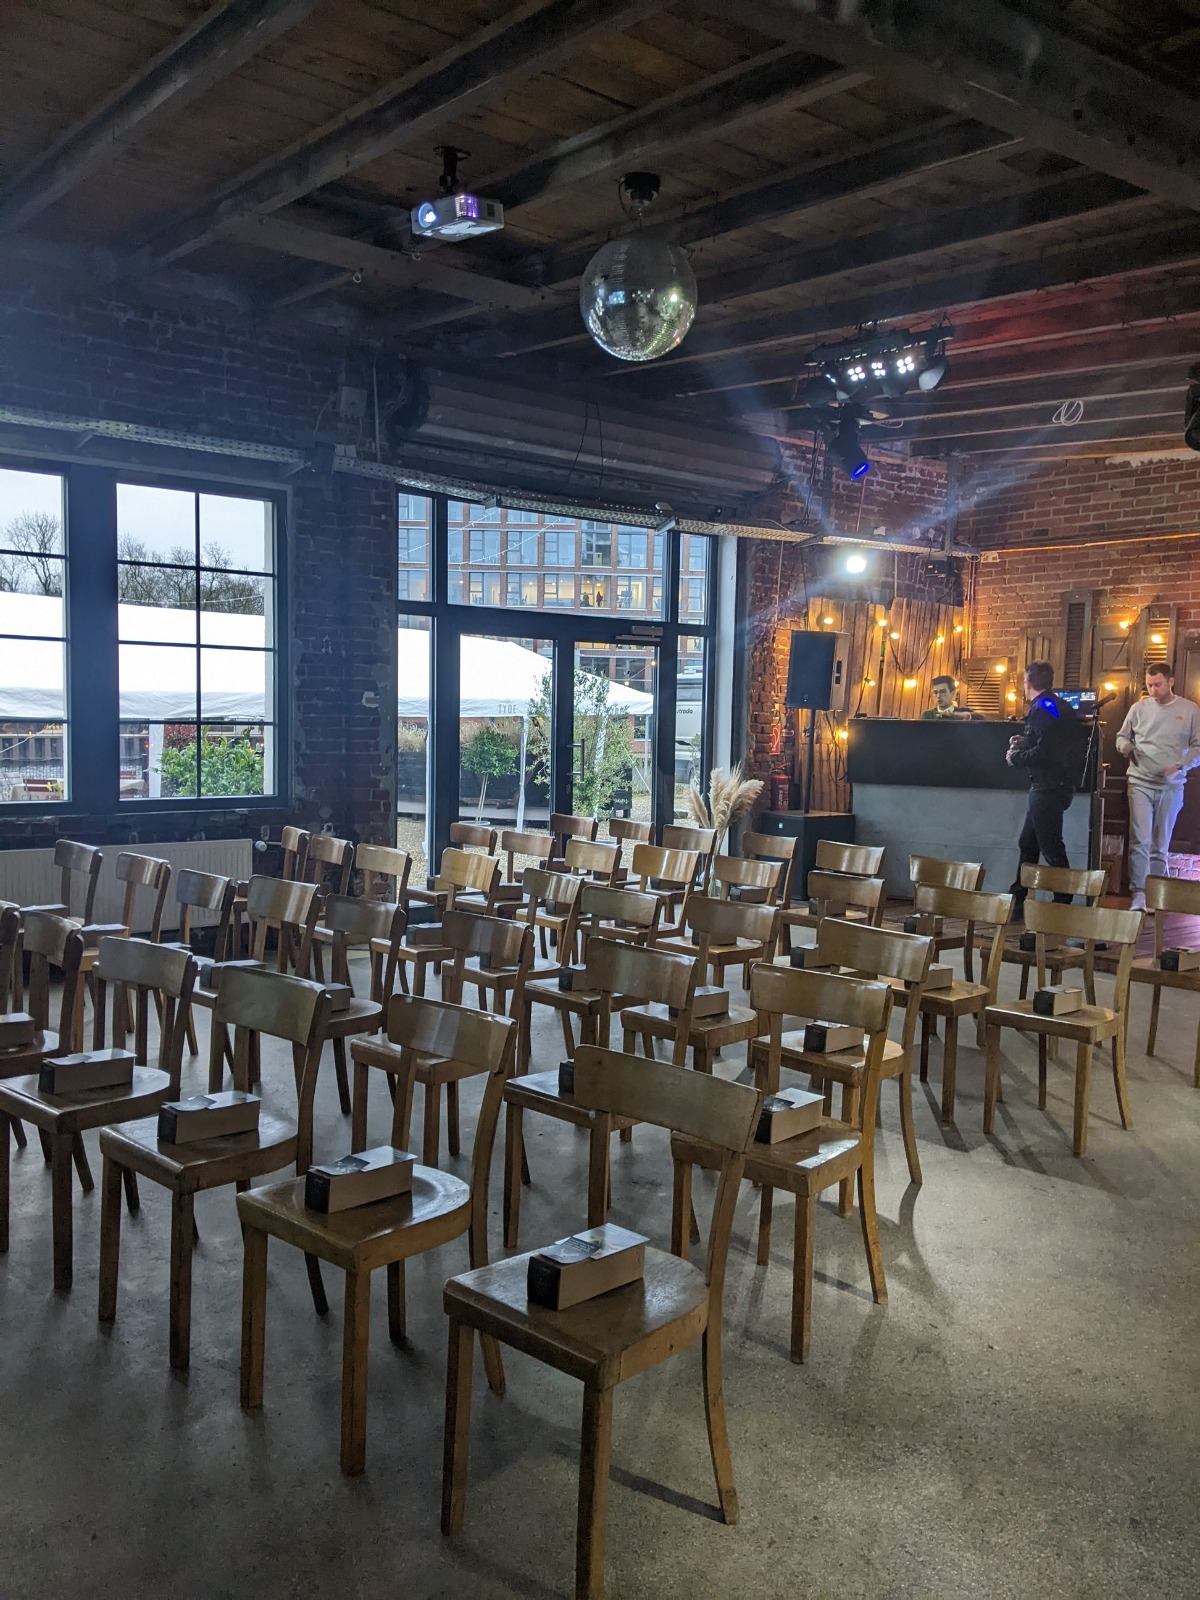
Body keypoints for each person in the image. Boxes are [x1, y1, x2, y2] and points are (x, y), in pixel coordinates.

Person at [1115, 662, 1200, 911]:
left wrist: (1180, 765)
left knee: (1160, 842)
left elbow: (1198, 747)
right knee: (1139, 839)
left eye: (1158, 684)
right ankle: (1139, 893)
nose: (1153, 690)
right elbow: (1122, 736)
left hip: (1172, 785)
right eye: (1149, 685)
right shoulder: (1138, 708)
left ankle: (1156, 893)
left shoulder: (1189, 709)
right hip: (1140, 780)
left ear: (1170, 682)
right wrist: (1124, 746)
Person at [1005, 661, 1084, 914]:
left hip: (1047, 787)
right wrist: (1025, 740)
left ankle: (1063, 900)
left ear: (1028, 682)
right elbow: (1050, 739)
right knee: (1028, 842)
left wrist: (1016, 757)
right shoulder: (1054, 704)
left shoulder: (1042, 708)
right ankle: (1019, 895)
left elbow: (1047, 750)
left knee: (1050, 846)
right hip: (1056, 785)